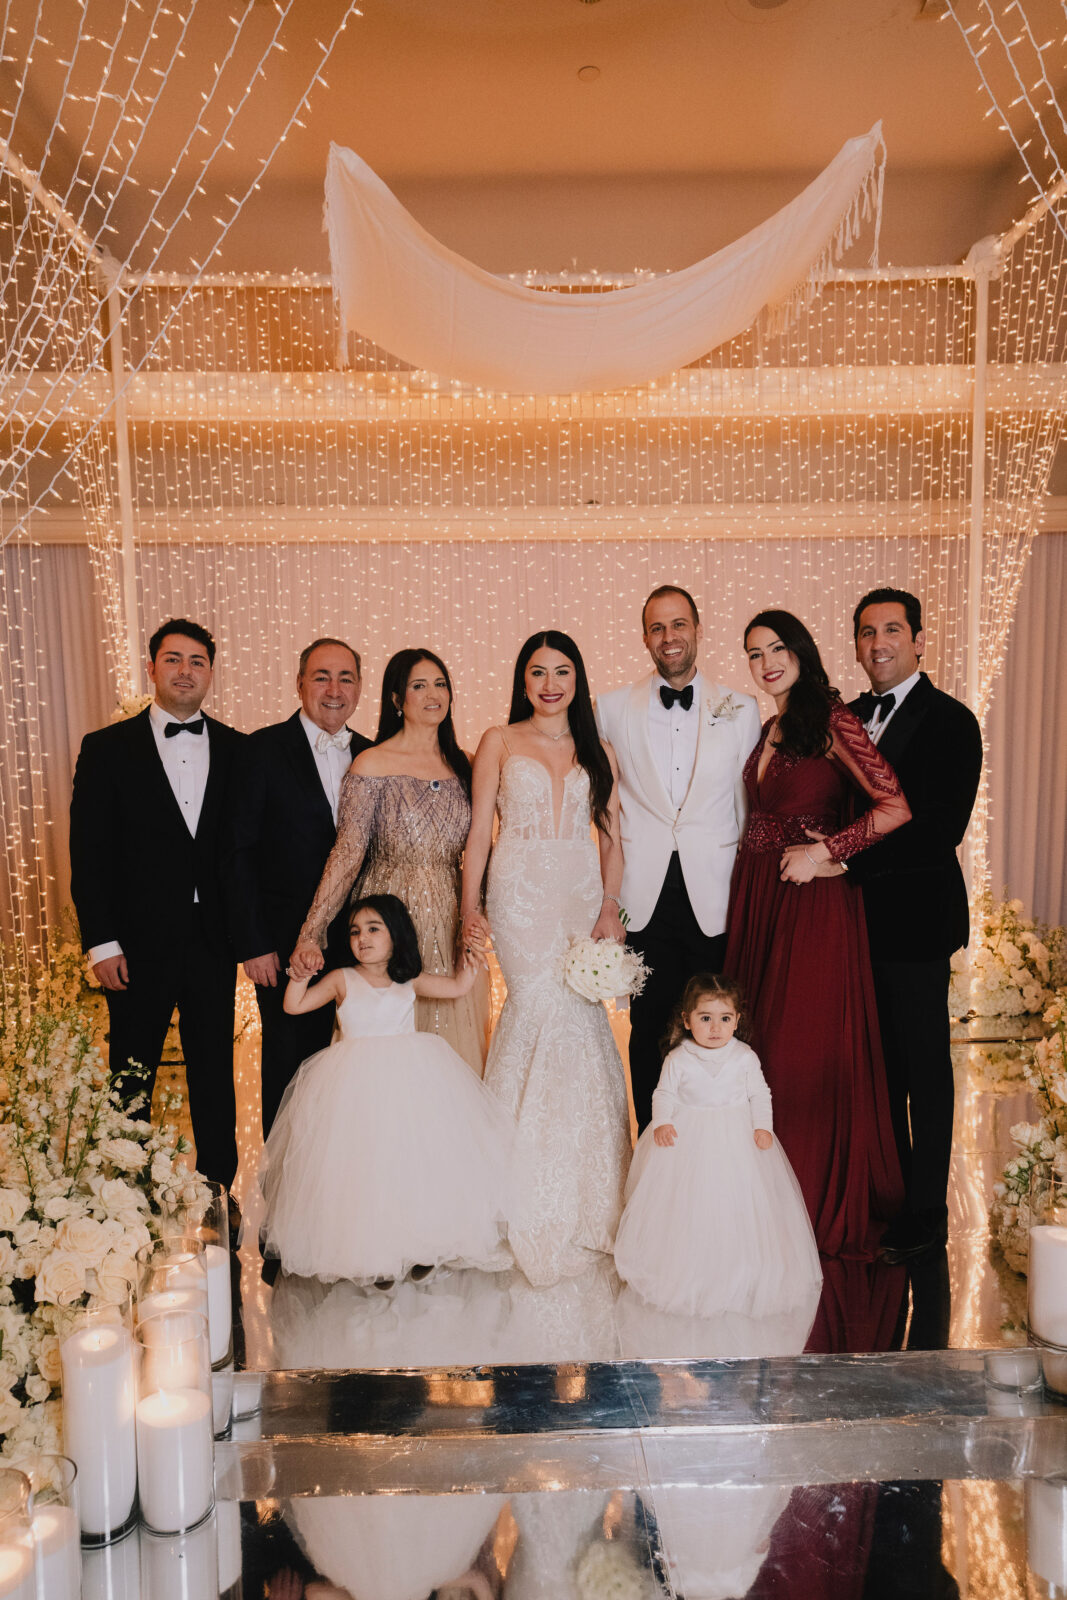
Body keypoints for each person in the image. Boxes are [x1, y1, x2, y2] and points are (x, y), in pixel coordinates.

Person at [725, 609, 912, 1259]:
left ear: (802, 651)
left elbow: (894, 806)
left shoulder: (832, 718)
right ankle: (760, 1207)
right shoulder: (769, 724)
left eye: (777, 647)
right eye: (754, 653)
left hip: (810, 907)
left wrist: (828, 851)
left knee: (793, 1056)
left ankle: (803, 1206)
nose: (766, 661)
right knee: (754, 1054)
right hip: (758, 902)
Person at [461, 631, 631, 1287]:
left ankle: (591, 1197)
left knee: (582, 1026)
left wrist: (609, 906)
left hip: (580, 894)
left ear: (576, 680)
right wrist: (468, 907)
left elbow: (615, 838)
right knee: (533, 1010)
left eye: (561, 672)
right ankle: (514, 1196)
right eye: (537, 672)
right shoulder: (498, 741)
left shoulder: (601, 750)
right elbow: (480, 831)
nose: (549, 683)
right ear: (522, 679)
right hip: (519, 895)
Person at [68, 619, 243, 1189]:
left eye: (197, 661)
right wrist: (101, 941)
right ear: (152, 668)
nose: (185, 671)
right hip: (136, 944)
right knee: (131, 1072)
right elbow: (88, 853)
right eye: (173, 659)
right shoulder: (105, 749)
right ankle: (128, 1193)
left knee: (215, 1071)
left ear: (211, 673)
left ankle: (220, 1192)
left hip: (215, 941)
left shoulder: (241, 750)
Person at [262, 894, 514, 1283]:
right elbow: (294, 1007)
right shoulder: (341, 979)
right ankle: (373, 1252)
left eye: (373, 929)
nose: (362, 938)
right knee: (364, 1166)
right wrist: (299, 975)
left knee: (409, 1162)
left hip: (408, 1082)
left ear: (395, 935)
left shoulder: (407, 979)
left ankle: (420, 1243)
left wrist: (471, 955)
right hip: (354, 1085)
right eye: (355, 931)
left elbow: (459, 987)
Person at [595, 585, 761, 1132]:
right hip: (644, 896)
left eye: (679, 624)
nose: (670, 637)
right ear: (645, 636)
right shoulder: (613, 707)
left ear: (698, 628)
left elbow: (747, 807)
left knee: (717, 1032)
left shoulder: (741, 708)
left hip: (715, 893)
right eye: (658, 627)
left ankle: (715, 1154)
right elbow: (603, 806)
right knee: (650, 1030)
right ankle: (656, 1160)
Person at [849, 587, 983, 1263]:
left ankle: (926, 1209)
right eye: (867, 633)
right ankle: (888, 1191)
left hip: (914, 923)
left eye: (892, 631)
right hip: (847, 928)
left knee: (921, 1068)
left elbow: (939, 829)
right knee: (875, 1070)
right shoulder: (842, 719)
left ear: (919, 639)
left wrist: (842, 860)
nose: (878, 644)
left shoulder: (951, 721)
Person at [290, 649, 488, 1075]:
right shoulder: (372, 762)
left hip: (449, 917)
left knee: (449, 1043)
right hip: (388, 916)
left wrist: (479, 915)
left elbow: (482, 850)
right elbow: (347, 854)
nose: (433, 694)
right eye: (419, 685)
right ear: (397, 699)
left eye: (440, 683)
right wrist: (312, 932)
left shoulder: (466, 764)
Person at [226, 638, 371, 1136]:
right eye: (321, 677)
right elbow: (236, 852)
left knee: (360, 1071)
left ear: (360, 687)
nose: (334, 689)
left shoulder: (375, 754)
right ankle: (285, 1197)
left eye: (346, 678)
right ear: (300, 683)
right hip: (286, 947)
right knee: (293, 1073)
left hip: (366, 946)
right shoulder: (260, 750)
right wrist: (255, 943)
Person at [614, 974, 822, 1319]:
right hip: (688, 1140)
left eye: (725, 1019)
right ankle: (687, 1265)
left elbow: (760, 1093)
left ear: (737, 1021)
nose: (715, 1028)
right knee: (690, 1201)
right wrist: (663, 1121)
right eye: (705, 1018)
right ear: (687, 1020)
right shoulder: (678, 1058)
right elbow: (663, 1092)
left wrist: (762, 1127)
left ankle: (738, 1267)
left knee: (734, 1200)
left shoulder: (744, 1057)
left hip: (735, 1139)